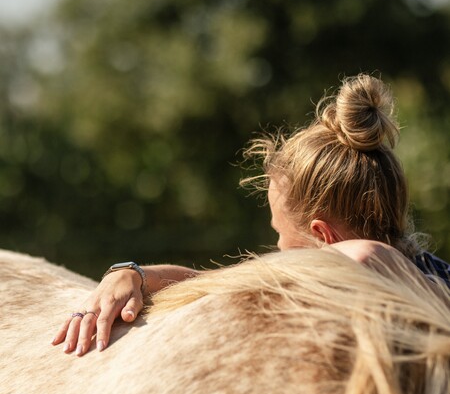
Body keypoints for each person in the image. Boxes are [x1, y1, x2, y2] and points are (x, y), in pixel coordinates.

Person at [52, 73, 450, 356]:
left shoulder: (379, 276)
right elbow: (218, 281)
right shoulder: (431, 273)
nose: (277, 248)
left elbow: (364, 256)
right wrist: (134, 274)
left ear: (324, 237)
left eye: (281, 234)